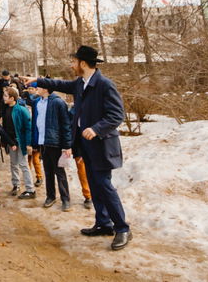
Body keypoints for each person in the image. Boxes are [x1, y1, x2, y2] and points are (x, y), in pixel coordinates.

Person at [25, 46, 132, 251]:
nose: (71, 65)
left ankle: (122, 228)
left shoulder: (104, 85)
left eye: (74, 62)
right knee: (94, 184)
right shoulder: (81, 84)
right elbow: (59, 84)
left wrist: (96, 128)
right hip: (85, 146)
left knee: (104, 186)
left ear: (83, 63)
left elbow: (117, 115)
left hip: (101, 145)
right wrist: (36, 81)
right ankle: (103, 223)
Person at [30, 84, 73, 211]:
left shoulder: (58, 102)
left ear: (46, 89)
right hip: (43, 143)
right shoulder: (38, 102)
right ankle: (51, 196)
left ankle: (66, 199)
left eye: (38, 87)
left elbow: (66, 125)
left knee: (59, 172)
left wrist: (66, 146)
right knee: (48, 171)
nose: (36, 89)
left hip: (56, 143)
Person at [2, 86, 36, 199]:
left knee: (23, 164)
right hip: (11, 143)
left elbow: (28, 127)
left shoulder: (22, 109)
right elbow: (5, 127)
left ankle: (30, 190)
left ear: (12, 98)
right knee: (13, 164)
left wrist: (28, 144)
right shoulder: (6, 109)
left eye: (5, 96)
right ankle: (16, 185)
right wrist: (5, 141)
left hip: (21, 142)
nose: (3, 97)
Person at [68, 102, 93, 209]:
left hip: (92, 143)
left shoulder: (94, 107)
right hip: (78, 145)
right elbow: (69, 127)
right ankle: (88, 196)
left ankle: (96, 193)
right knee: (82, 170)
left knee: (93, 171)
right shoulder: (73, 110)